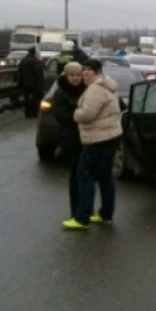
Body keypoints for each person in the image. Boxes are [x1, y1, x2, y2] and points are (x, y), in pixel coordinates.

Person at [63, 59, 122, 230]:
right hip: (111, 136)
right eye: (84, 71)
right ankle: (106, 214)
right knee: (105, 177)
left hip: (98, 138)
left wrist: (76, 113)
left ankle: (82, 217)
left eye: (88, 71)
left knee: (84, 175)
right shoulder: (108, 86)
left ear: (96, 72)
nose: (85, 74)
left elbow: (88, 114)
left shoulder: (95, 89)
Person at [53, 62, 87, 222]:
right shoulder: (61, 93)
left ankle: (87, 210)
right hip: (71, 139)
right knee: (75, 176)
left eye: (78, 75)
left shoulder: (87, 90)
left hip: (87, 138)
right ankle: (75, 212)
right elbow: (61, 116)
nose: (75, 78)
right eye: (71, 75)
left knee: (87, 176)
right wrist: (80, 115)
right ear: (66, 76)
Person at [17, 47, 45, 118]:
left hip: (25, 82)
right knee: (35, 98)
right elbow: (37, 72)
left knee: (27, 98)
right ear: (34, 53)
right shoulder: (34, 61)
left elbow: (19, 70)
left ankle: (27, 113)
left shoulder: (23, 60)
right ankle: (34, 112)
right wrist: (40, 62)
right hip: (34, 83)